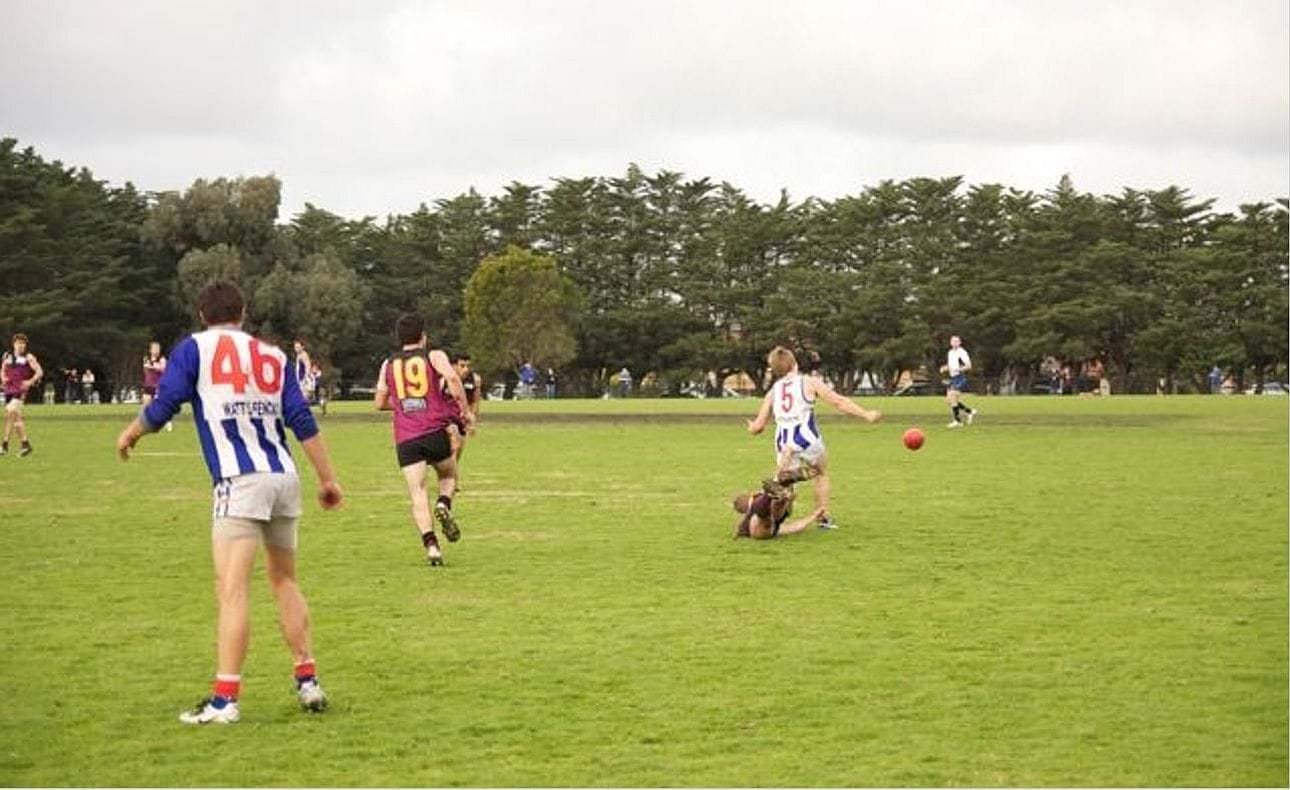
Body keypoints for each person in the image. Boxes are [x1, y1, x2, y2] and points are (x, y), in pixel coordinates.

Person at [115, 281, 343, 725]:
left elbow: (165, 405)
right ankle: (308, 680)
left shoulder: (195, 348)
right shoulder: (273, 355)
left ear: (203, 313)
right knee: (285, 582)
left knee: (233, 590)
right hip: (283, 476)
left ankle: (225, 700)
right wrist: (328, 478)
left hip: (239, 481)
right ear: (243, 312)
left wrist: (131, 432)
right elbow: (301, 419)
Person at [375, 314, 474, 567]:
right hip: (433, 431)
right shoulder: (433, 355)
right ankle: (443, 503)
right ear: (423, 336)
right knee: (449, 475)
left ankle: (431, 546)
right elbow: (452, 379)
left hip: (406, 437)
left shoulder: (387, 364)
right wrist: (465, 410)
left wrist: (404, 405)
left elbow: (379, 402)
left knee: (417, 492)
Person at [746, 346, 881, 531]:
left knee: (785, 489)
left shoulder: (773, 391)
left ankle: (772, 522)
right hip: (807, 439)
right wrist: (866, 414)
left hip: (783, 443)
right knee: (820, 473)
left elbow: (758, 426)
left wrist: (751, 427)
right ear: (795, 363)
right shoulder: (809, 382)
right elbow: (838, 401)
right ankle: (823, 518)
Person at [731, 471, 826, 540]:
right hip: (764, 520)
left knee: (767, 517)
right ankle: (780, 488)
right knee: (769, 514)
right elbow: (793, 527)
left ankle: (776, 492)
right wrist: (814, 516)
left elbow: (793, 527)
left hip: (764, 521)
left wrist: (814, 516)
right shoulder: (748, 520)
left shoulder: (747, 521)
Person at [2, 334, 43, 457]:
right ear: (14, 344)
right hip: (8, 390)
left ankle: (4, 445)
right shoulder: (7, 356)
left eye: (23, 343)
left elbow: (40, 371)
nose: (21, 345)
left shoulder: (28, 357)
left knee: (11, 413)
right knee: (16, 417)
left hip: (20, 390)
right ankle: (25, 444)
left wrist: (30, 382)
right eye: (19, 343)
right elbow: (2, 370)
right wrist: (3, 378)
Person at [448, 351, 483, 486]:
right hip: (447, 418)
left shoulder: (474, 379)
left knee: (458, 452)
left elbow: (475, 401)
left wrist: (472, 420)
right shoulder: (446, 378)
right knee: (454, 447)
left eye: (468, 366)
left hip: (462, 419)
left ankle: (448, 477)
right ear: (453, 366)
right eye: (462, 366)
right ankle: (452, 482)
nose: (465, 369)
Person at [943, 335, 976, 428]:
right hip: (953, 378)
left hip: (960, 377)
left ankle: (957, 421)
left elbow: (969, 366)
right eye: (953, 341)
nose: (955, 343)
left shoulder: (962, 352)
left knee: (953, 397)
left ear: (960, 343)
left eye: (957, 341)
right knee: (950, 400)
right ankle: (969, 412)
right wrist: (945, 368)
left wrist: (958, 369)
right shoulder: (950, 353)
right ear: (950, 342)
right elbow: (950, 365)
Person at [143, 341, 174, 431]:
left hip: (159, 385)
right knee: (146, 406)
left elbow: (163, 368)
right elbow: (145, 369)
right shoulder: (146, 358)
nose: (156, 350)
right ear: (150, 350)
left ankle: (167, 422)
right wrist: (151, 367)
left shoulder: (162, 359)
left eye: (158, 348)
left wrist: (153, 366)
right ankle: (147, 425)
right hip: (148, 385)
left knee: (161, 406)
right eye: (154, 348)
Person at [293, 340, 317, 408]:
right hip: (300, 380)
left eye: (298, 347)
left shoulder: (304, 355)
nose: (296, 349)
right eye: (295, 347)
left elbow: (308, 366)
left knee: (303, 398)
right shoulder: (299, 355)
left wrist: (306, 379)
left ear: (302, 347)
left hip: (304, 380)